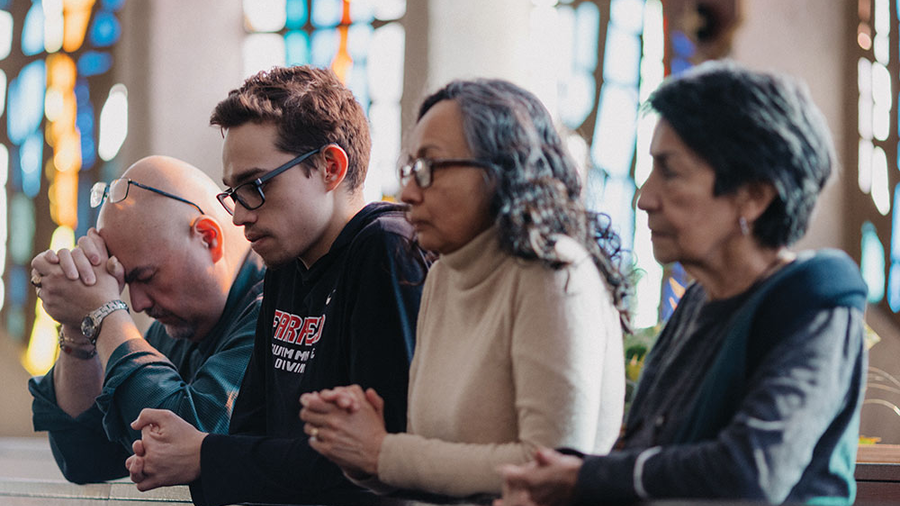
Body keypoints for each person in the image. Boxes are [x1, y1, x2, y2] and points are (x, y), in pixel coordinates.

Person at [497, 61, 868, 506]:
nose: (644, 198)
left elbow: (749, 474)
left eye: (669, 172)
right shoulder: (698, 301)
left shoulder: (815, 306)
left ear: (754, 194)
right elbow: (649, 459)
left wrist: (585, 479)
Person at [299, 78, 632, 498]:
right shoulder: (443, 273)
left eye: (429, 169)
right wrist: (358, 451)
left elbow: (547, 465)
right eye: (408, 169)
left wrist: (384, 451)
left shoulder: (554, 271)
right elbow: (433, 465)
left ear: (501, 169)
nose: (407, 192)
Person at [124, 65, 428, 506]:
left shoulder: (384, 249)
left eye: (255, 185)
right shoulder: (286, 262)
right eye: (233, 192)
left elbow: (384, 464)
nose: (239, 214)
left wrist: (205, 454)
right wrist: (189, 450)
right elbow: (252, 431)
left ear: (330, 167)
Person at [28, 156, 264, 484]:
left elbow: (184, 440)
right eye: (126, 284)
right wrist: (79, 324)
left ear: (209, 238)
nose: (137, 304)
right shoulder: (175, 329)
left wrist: (104, 311)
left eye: (146, 276)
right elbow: (85, 459)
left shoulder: (276, 309)